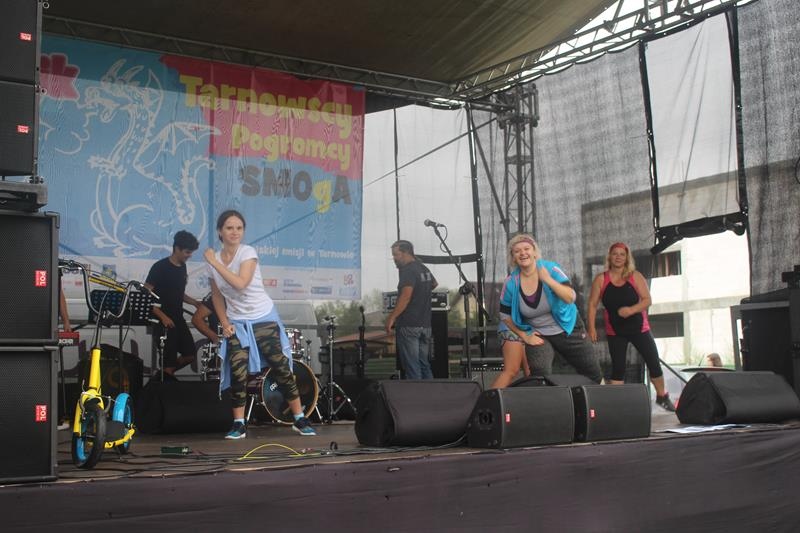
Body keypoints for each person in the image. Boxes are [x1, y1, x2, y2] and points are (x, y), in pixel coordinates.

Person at [204, 209, 316, 439]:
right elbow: (216, 296)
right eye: (229, 228)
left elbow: (240, 283)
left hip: (262, 317)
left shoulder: (247, 252)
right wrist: (225, 323)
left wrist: (214, 262)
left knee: (281, 367)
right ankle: (238, 423)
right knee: (238, 372)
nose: (235, 232)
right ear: (220, 232)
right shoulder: (213, 262)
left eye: (239, 228)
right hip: (237, 322)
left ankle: (299, 418)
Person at [493, 234, 603, 389]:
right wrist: (524, 335)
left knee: (593, 373)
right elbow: (504, 315)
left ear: (534, 252)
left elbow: (571, 297)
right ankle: (546, 403)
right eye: (517, 251)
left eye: (526, 249)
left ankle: (600, 401)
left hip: (568, 328)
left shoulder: (550, 269)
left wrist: (548, 280)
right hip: (539, 334)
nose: (523, 253)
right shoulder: (511, 282)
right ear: (513, 257)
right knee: (540, 374)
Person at [587, 242, 676, 411]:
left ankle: (662, 396)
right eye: (615, 254)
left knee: (653, 362)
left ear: (627, 258)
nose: (618, 257)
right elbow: (592, 304)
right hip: (615, 330)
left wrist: (631, 310)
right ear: (610, 257)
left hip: (639, 329)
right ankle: (617, 404)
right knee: (618, 367)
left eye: (622, 254)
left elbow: (647, 300)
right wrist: (591, 328)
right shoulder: (601, 279)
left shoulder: (635, 276)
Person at [145, 230, 201, 380]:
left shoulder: (182, 267)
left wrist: (195, 303)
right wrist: (162, 317)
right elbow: (146, 294)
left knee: (190, 355)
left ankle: (163, 375)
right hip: (162, 321)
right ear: (177, 248)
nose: (190, 255)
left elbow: (178, 293)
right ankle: (166, 376)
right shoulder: (159, 267)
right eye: (187, 252)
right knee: (168, 362)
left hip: (178, 318)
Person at [385, 240, 438, 380]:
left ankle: (415, 394)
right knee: (424, 365)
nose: (394, 258)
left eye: (396, 255)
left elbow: (406, 296)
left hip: (409, 324)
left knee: (412, 367)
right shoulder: (423, 268)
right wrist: (420, 292)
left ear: (406, 253)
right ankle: (431, 393)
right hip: (425, 325)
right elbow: (434, 283)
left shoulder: (408, 270)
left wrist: (392, 317)